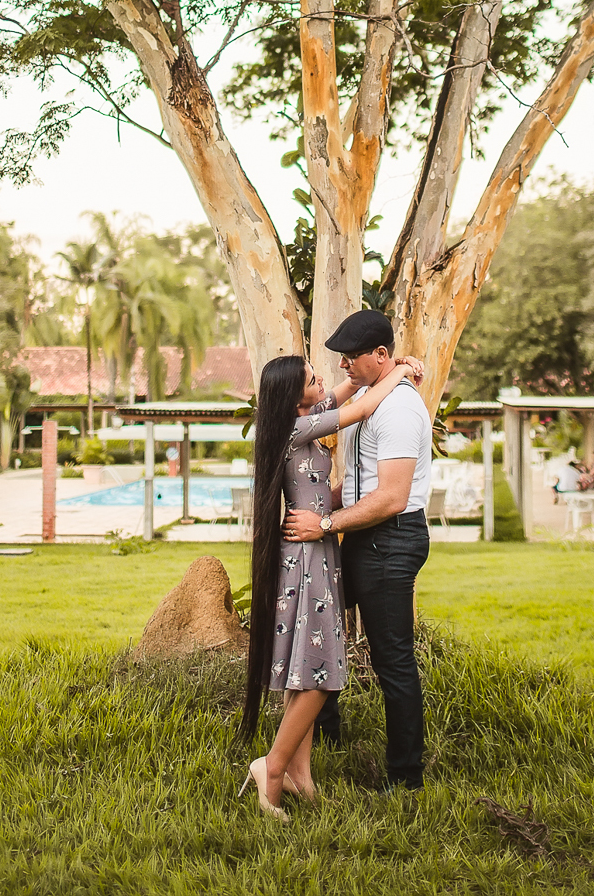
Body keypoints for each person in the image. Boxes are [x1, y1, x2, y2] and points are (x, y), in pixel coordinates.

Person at [239, 348, 423, 821]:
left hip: (317, 550)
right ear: (290, 394)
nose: (322, 381)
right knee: (322, 667)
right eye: (311, 379)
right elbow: (361, 406)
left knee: (305, 664)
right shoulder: (289, 429)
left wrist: (390, 362)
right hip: (305, 556)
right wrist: (401, 371)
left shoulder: (309, 415)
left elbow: (354, 389)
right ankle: (273, 768)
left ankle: (301, 774)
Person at [285, 309, 433, 793]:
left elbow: (390, 497)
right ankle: (324, 740)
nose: (343, 365)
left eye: (352, 357)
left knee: (393, 658)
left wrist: (324, 522)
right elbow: (352, 476)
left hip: (390, 538)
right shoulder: (371, 395)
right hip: (361, 536)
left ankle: (404, 777)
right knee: (323, 630)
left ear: (380, 355)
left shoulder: (399, 408)